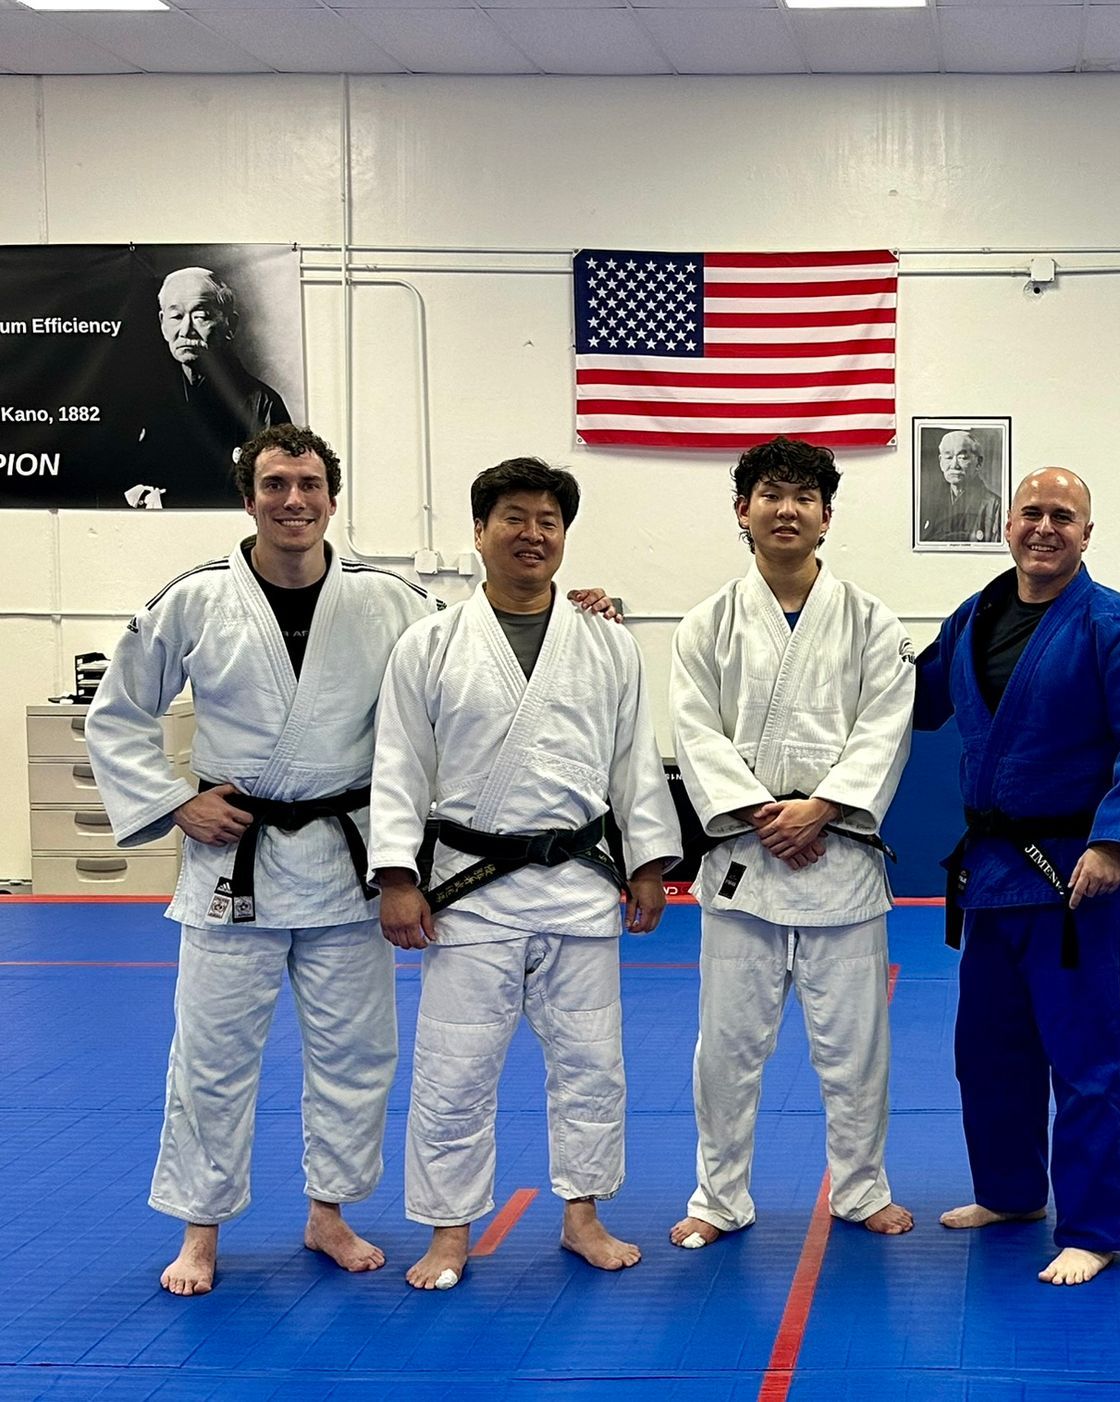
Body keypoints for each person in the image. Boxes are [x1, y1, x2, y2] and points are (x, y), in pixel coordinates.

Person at [85, 424, 440, 1296]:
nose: (293, 500)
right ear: (248, 498)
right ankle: (200, 1229)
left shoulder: (390, 598)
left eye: (309, 484)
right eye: (275, 484)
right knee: (210, 1057)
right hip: (233, 861)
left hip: (346, 861)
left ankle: (329, 1213)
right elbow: (118, 711)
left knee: (357, 1054)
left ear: (332, 499)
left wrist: (576, 608)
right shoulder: (196, 598)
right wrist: (176, 800)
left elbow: (474, 659)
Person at [368, 457, 680, 1291]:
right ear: (479, 531)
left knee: (592, 1066)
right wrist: (397, 877)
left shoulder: (606, 643)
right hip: (468, 892)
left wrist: (648, 864)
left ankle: (584, 1216)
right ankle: (448, 1229)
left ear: (564, 536)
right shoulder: (429, 644)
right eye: (513, 517)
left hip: (579, 885)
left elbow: (633, 762)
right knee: (453, 1070)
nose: (532, 533)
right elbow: (398, 766)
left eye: (549, 520)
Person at [914, 467, 1120, 1286]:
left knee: (1085, 1056)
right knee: (988, 1049)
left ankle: (1093, 1228)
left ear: (1086, 534)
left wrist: (1114, 844)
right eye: (1032, 512)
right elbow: (912, 697)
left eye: (1064, 515)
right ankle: (1010, 1192)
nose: (1045, 527)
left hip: (1075, 875)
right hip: (993, 871)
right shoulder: (974, 616)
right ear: (1008, 525)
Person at [665, 437, 916, 1248]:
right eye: (770, 495)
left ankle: (861, 1187)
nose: (787, 510)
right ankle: (718, 1198)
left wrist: (824, 808)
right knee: (725, 1050)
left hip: (839, 857)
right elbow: (694, 732)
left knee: (856, 1050)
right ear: (743, 511)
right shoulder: (707, 623)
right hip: (746, 859)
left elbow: (885, 727)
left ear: (826, 516)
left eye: (805, 497)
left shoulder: (873, 621)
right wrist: (761, 814)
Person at [132, 267, 291, 508]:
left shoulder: (263, 405)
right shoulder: (144, 398)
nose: (186, 330)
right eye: (176, 317)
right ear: (162, 323)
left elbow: (278, 488)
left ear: (230, 325)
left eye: (201, 316)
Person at [920, 430, 1002, 544]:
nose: (954, 465)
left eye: (962, 457)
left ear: (978, 463)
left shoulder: (995, 506)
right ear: (940, 462)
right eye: (948, 457)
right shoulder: (929, 503)